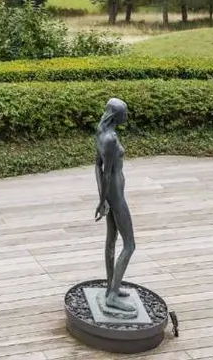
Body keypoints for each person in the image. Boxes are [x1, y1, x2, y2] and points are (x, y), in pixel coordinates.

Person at [94, 97, 137, 317]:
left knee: (111, 239)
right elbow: (107, 172)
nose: (126, 117)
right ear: (116, 115)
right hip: (117, 196)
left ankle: (112, 285)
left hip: (111, 194)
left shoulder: (101, 133)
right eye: (125, 113)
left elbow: (96, 166)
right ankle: (111, 296)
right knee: (130, 245)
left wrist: (102, 198)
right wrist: (105, 201)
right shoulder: (110, 139)